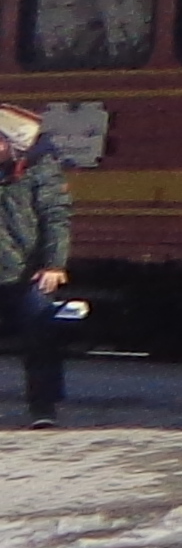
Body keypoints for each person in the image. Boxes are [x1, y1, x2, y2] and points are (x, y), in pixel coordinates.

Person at [0, 106, 71, 428]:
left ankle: (43, 408)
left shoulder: (39, 169)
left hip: (25, 272)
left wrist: (53, 264)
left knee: (40, 338)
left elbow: (55, 217)